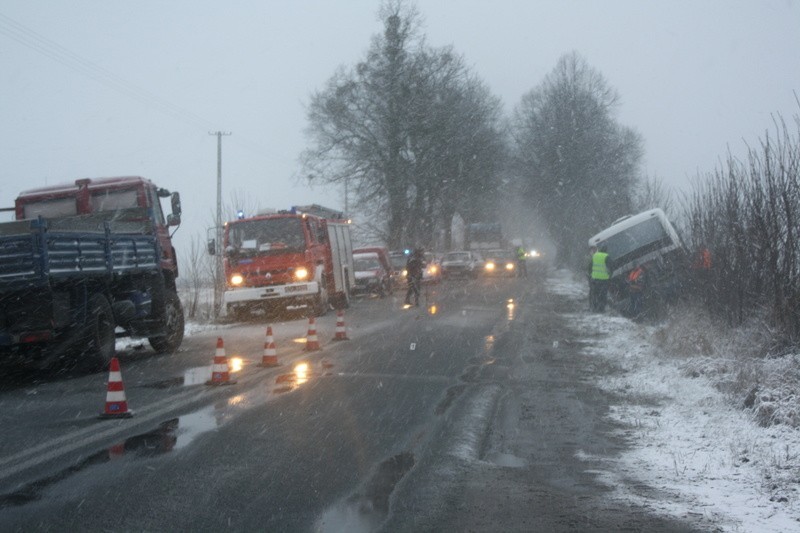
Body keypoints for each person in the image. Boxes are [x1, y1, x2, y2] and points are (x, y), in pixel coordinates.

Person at [589, 245, 611, 312]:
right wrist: (610, 275)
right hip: (604, 280)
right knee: (603, 295)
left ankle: (594, 308)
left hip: (595, 279)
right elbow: (611, 267)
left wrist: (591, 275)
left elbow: (589, 267)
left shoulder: (595, 256)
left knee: (595, 294)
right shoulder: (606, 257)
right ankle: (601, 309)